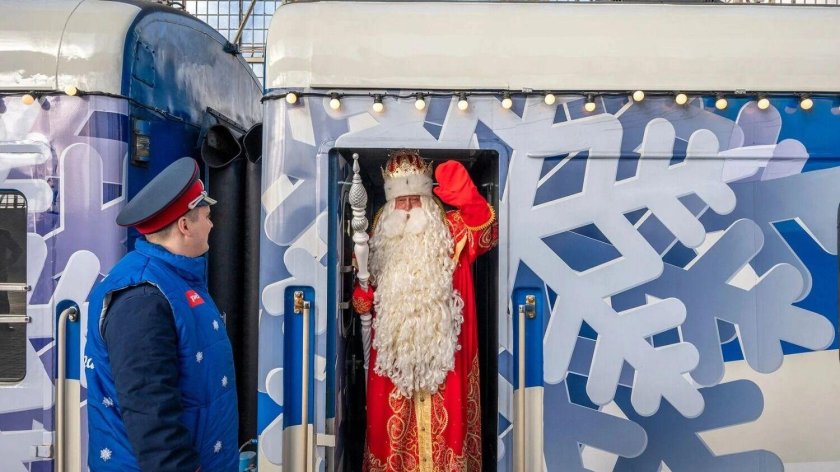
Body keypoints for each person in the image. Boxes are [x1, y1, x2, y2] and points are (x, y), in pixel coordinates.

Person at [85, 158, 237, 471]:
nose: (211, 225)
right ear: (185, 226)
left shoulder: (173, 280)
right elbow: (149, 408)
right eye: (206, 217)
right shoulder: (142, 298)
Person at [352, 150, 498, 471]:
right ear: (390, 204)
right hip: (393, 365)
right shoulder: (377, 239)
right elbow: (364, 293)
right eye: (400, 201)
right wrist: (362, 295)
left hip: (445, 358)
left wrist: (467, 195)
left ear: (428, 200)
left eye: (414, 199)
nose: (407, 208)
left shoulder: (451, 230)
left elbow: (487, 232)